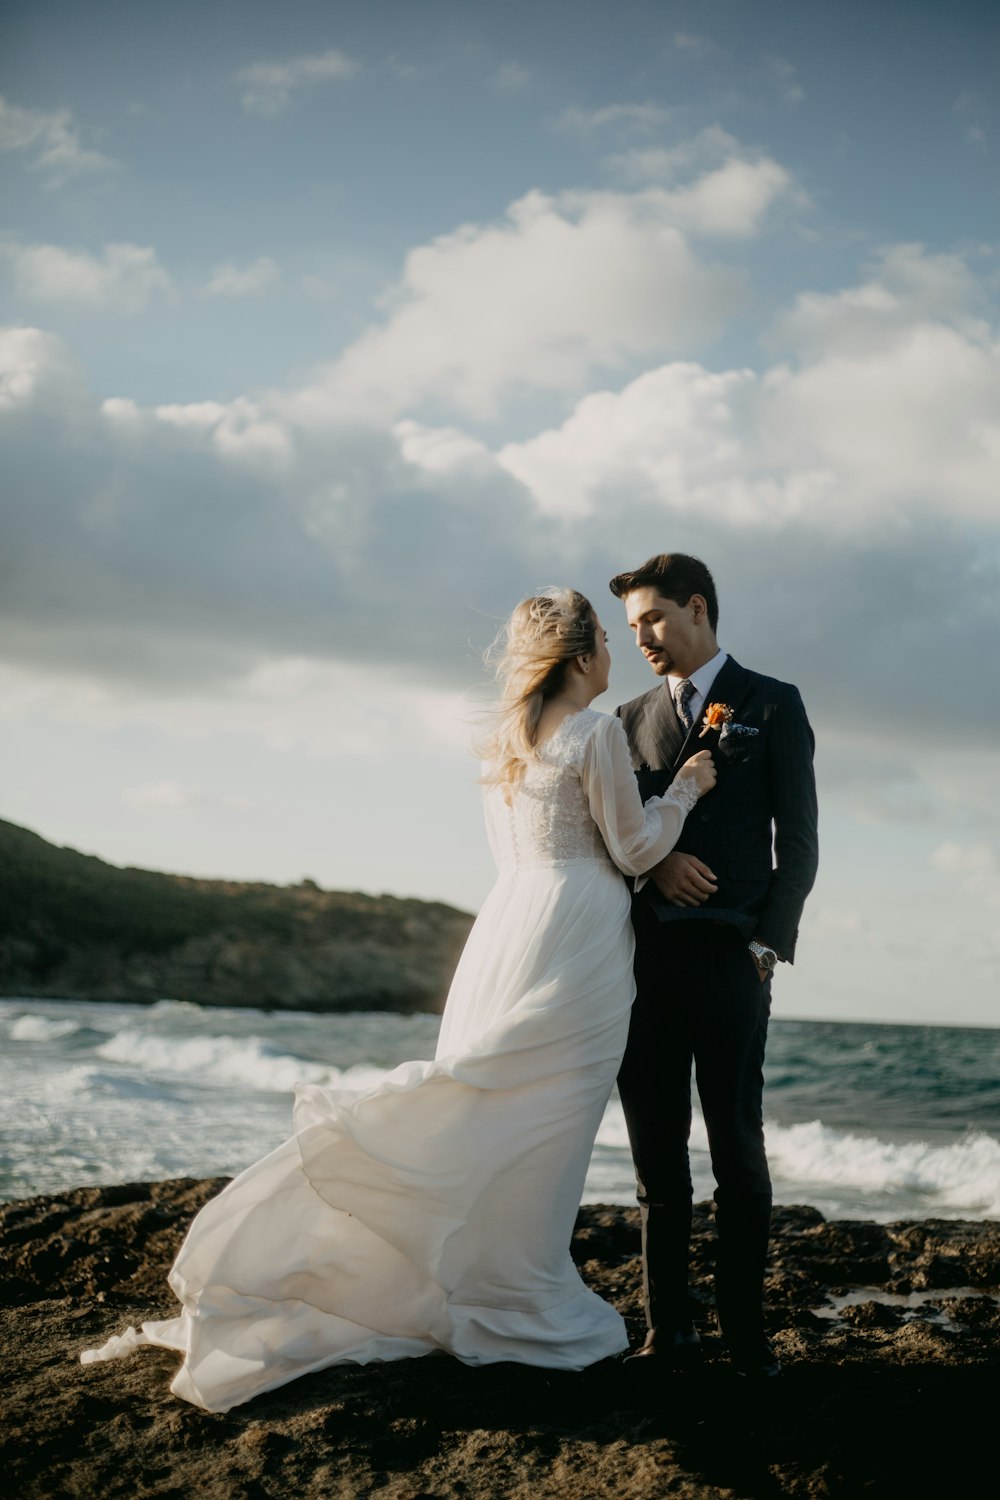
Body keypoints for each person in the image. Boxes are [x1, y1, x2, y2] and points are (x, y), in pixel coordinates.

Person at [81, 588, 716, 1413]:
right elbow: (633, 848)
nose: (613, 652)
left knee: (485, 1105)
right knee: (542, 1123)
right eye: (605, 636)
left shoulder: (505, 743)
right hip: (577, 937)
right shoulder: (594, 731)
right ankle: (511, 1294)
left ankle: (475, 1282)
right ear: (578, 655)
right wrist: (689, 786)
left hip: (506, 930)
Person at [609, 553, 818, 1379]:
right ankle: (671, 1332)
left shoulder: (775, 703)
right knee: (657, 1159)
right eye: (632, 629)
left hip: (735, 962)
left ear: (699, 608)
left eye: (654, 619)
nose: (643, 639)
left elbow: (797, 840)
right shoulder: (623, 719)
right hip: (644, 962)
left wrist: (769, 944)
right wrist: (653, 867)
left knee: (737, 1149)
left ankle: (745, 1333)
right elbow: (609, 841)